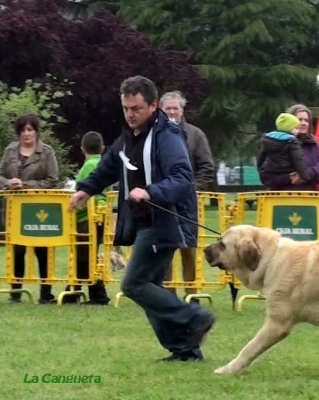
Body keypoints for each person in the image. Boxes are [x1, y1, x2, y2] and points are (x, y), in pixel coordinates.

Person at [69, 75, 215, 361]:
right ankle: (185, 349)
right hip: (143, 223)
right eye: (125, 108)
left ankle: (194, 317)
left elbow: (183, 178)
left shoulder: (167, 136)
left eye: (135, 108)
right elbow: (109, 166)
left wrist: (150, 192)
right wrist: (86, 189)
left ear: (153, 105)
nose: (130, 114)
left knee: (133, 284)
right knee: (151, 288)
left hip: (165, 221)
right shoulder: (128, 138)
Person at [159, 91, 216, 303]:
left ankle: (192, 292)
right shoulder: (153, 134)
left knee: (188, 248)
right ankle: (168, 293)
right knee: (165, 248)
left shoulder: (195, 135)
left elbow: (207, 166)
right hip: (162, 199)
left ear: (182, 110)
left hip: (187, 201)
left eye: (176, 108)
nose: (172, 112)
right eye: (168, 109)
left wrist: (193, 188)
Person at [0, 114, 59, 304]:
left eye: (30, 130)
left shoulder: (47, 152)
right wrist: (9, 182)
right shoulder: (10, 150)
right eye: (23, 130)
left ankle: (46, 294)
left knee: (42, 251)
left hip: (39, 208)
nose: (26, 134)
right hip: (14, 208)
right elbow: (0, 175)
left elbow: (52, 180)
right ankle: (15, 293)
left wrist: (25, 184)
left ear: (36, 131)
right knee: (18, 250)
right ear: (18, 133)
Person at [62, 131, 111, 305]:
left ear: (82, 149)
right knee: (85, 255)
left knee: (85, 255)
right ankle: (77, 291)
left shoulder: (90, 165)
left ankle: (92, 294)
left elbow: (91, 193)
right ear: (103, 148)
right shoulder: (104, 163)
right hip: (97, 216)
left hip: (88, 218)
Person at [258, 104, 319, 191]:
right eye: (299, 120)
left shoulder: (315, 146)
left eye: (306, 120)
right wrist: (289, 178)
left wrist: (306, 175)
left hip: (310, 197)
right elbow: (266, 176)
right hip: (281, 197)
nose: (303, 123)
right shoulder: (275, 144)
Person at [257, 112, 313, 188]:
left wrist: (259, 168)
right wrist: (305, 176)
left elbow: (261, 156)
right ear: (290, 129)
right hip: (288, 171)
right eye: (296, 128)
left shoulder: (268, 139)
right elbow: (298, 160)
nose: (298, 131)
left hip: (271, 171)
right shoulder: (292, 141)